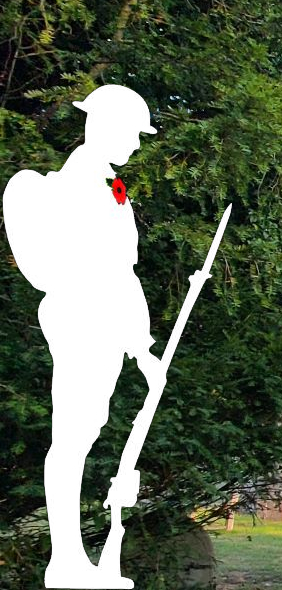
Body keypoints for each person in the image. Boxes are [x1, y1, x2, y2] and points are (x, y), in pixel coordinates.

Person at [3, 84, 161, 589]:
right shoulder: (75, 186)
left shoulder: (111, 186)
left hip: (107, 321)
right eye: (132, 135)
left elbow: (126, 271)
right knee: (71, 439)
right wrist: (135, 343)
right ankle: (66, 560)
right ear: (105, 127)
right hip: (81, 317)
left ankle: (72, 560)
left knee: (86, 431)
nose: (137, 145)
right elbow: (98, 270)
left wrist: (142, 348)